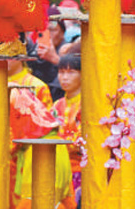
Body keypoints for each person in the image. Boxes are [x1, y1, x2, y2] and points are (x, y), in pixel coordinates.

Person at [52, 55, 82, 196]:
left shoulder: (87, 104)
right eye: (61, 72)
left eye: (71, 72)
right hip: (58, 168)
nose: (64, 77)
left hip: (80, 170)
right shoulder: (57, 105)